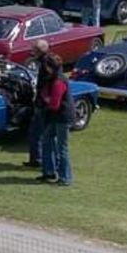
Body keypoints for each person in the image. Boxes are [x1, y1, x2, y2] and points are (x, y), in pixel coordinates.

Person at [40, 54, 73, 186]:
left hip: (62, 117)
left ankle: (65, 177)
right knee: (46, 141)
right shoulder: (52, 79)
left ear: (50, 67)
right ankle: (49, 172)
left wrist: (46, 99)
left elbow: (54, 104)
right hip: (55, 115)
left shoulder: (59, 81)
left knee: (61, 147)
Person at [24, 39, 52, 169]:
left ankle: (38, 160)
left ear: (39, 51)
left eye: (34, 50)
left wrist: (41, 101)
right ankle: (35, 159)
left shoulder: (46, 64)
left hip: (44, 104)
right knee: (36, 132)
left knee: (37, 132)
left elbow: (45, 85)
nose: (31, 52)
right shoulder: (45, 61)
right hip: (43, 102)